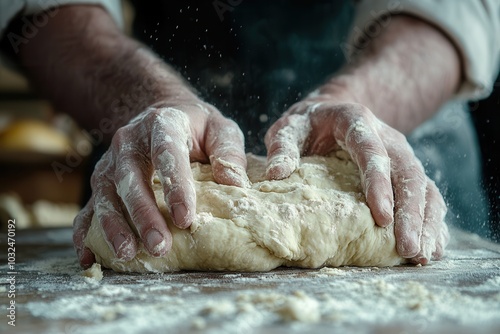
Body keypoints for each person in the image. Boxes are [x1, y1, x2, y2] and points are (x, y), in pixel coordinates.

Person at [0, 0, 498, 268]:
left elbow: (454, 8)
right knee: (147, 219)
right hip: (156, 148)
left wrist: (360, 97)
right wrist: (154, 100)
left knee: (407, 236)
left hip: (390, 137)